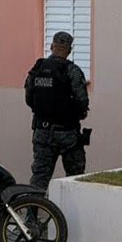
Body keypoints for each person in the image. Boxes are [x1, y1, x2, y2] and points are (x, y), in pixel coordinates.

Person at [25, 31, 90, 192]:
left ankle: (31, 215)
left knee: (39, 179)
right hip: (68, 133)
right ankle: (73, 214)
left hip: (42, 132)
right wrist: (79, 113)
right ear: (69, 50)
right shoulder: (72, 71)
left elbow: (29, 99)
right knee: (74, 178)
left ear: (52, 46)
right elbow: (82, 100)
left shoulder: (38, 68)